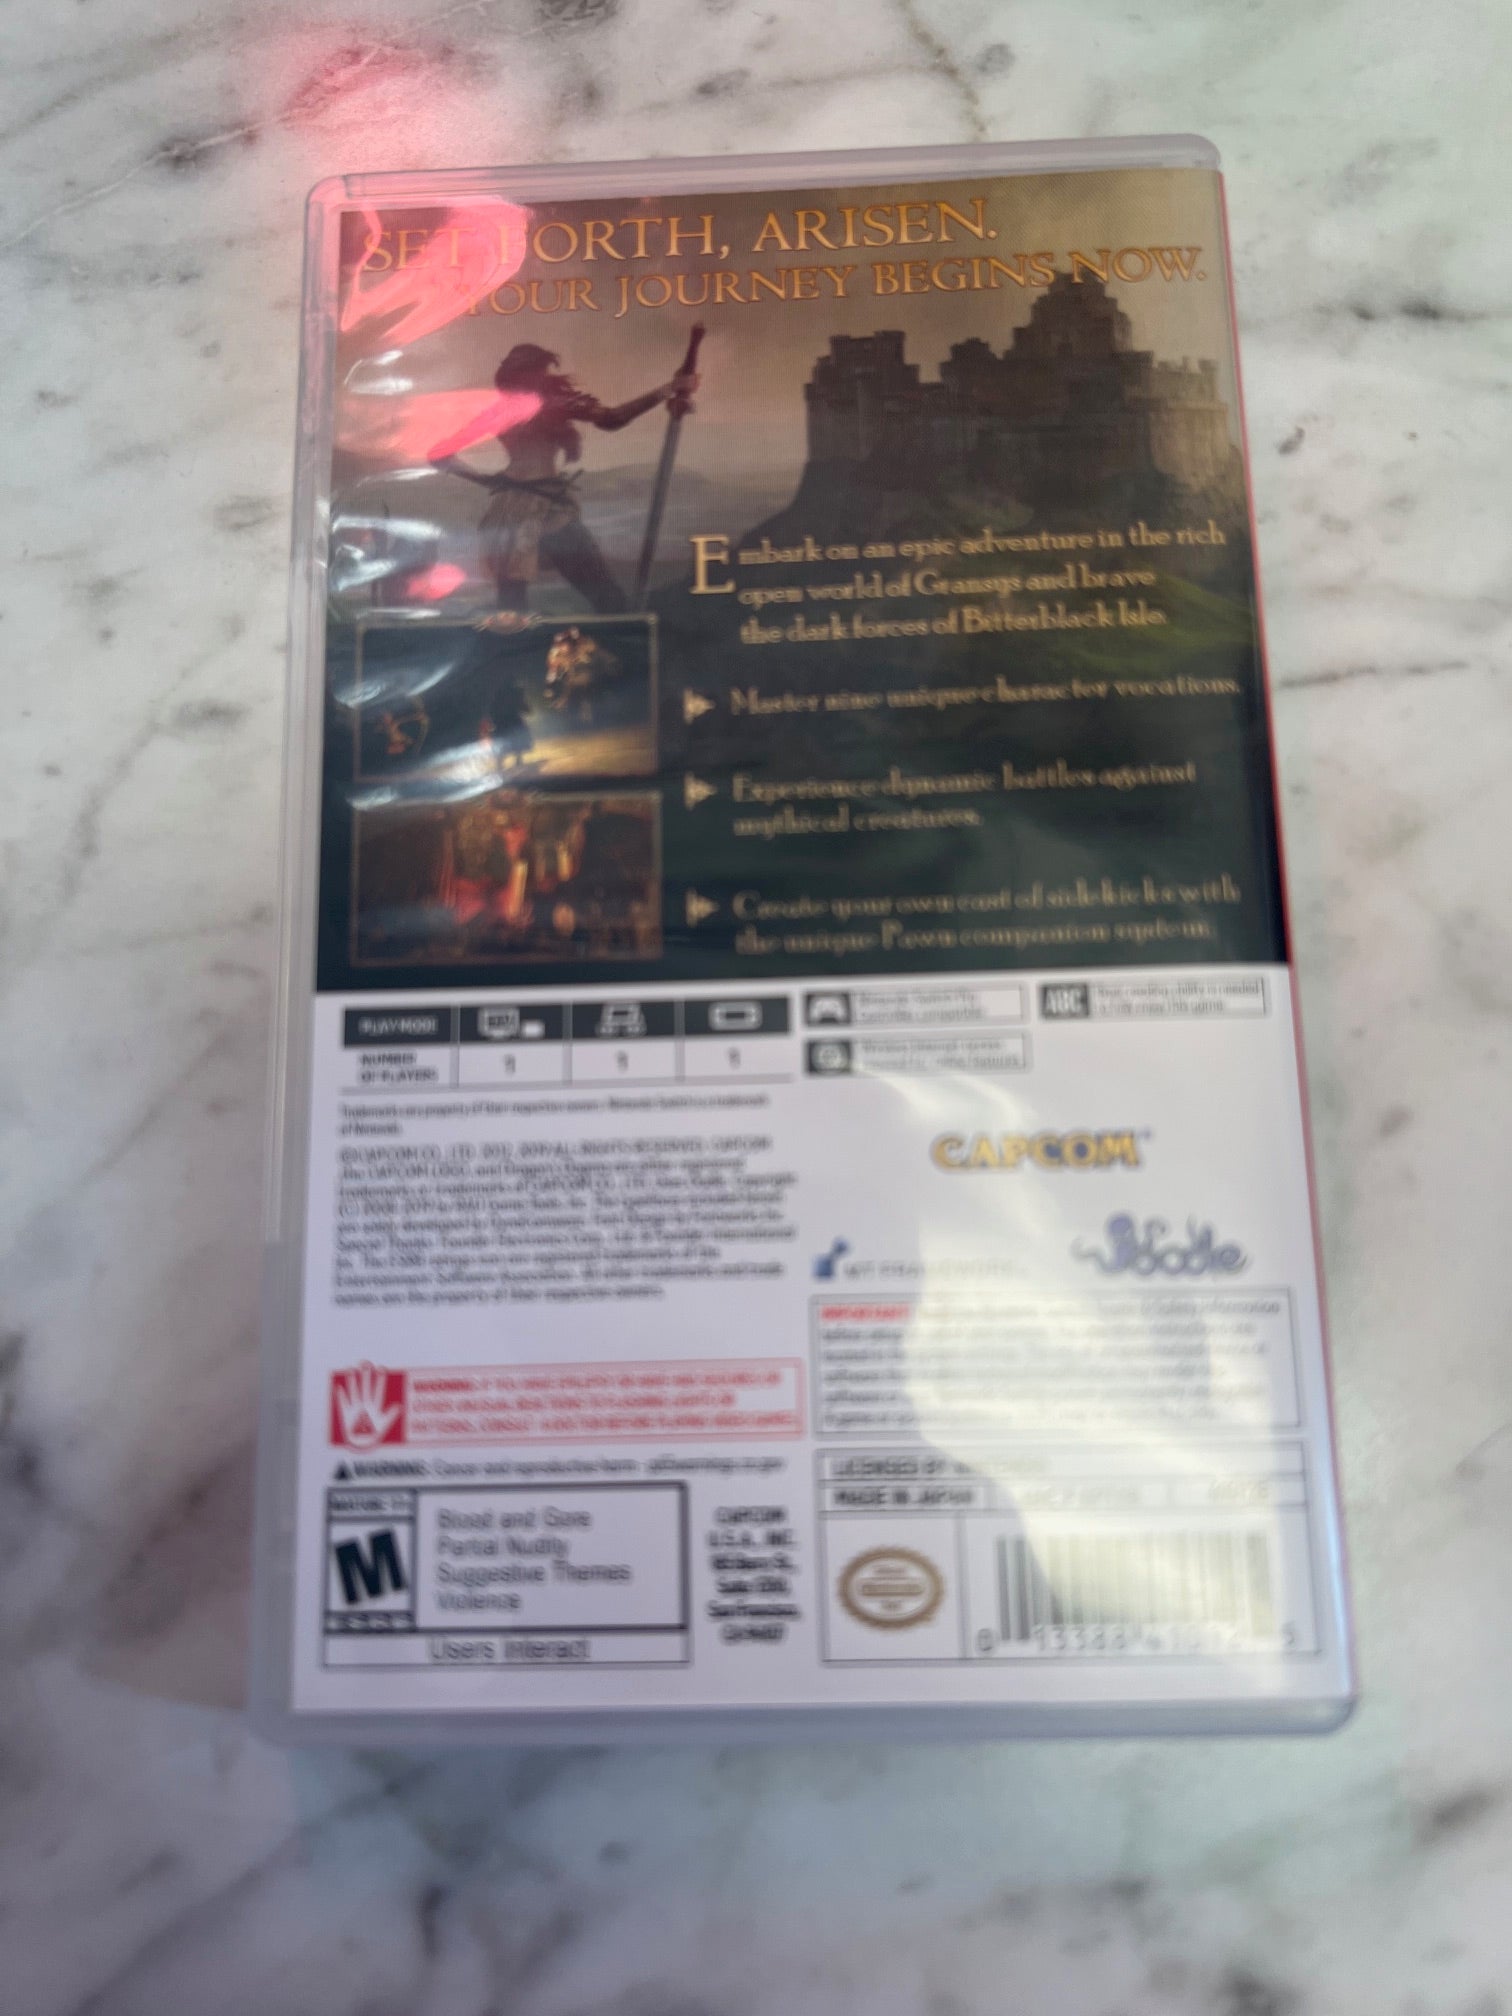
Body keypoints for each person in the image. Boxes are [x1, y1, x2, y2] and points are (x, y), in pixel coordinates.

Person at [430, 344, 698, 612]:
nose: (544, 376)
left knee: (520, 604)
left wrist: (489, 480)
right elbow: (613, 418)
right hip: (540, 511)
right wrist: (668, 389)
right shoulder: (541, 405)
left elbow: (439, 455)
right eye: (539, 371)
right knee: (599, 595)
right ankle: (620, 631)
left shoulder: (504, 411)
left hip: (513, 512)